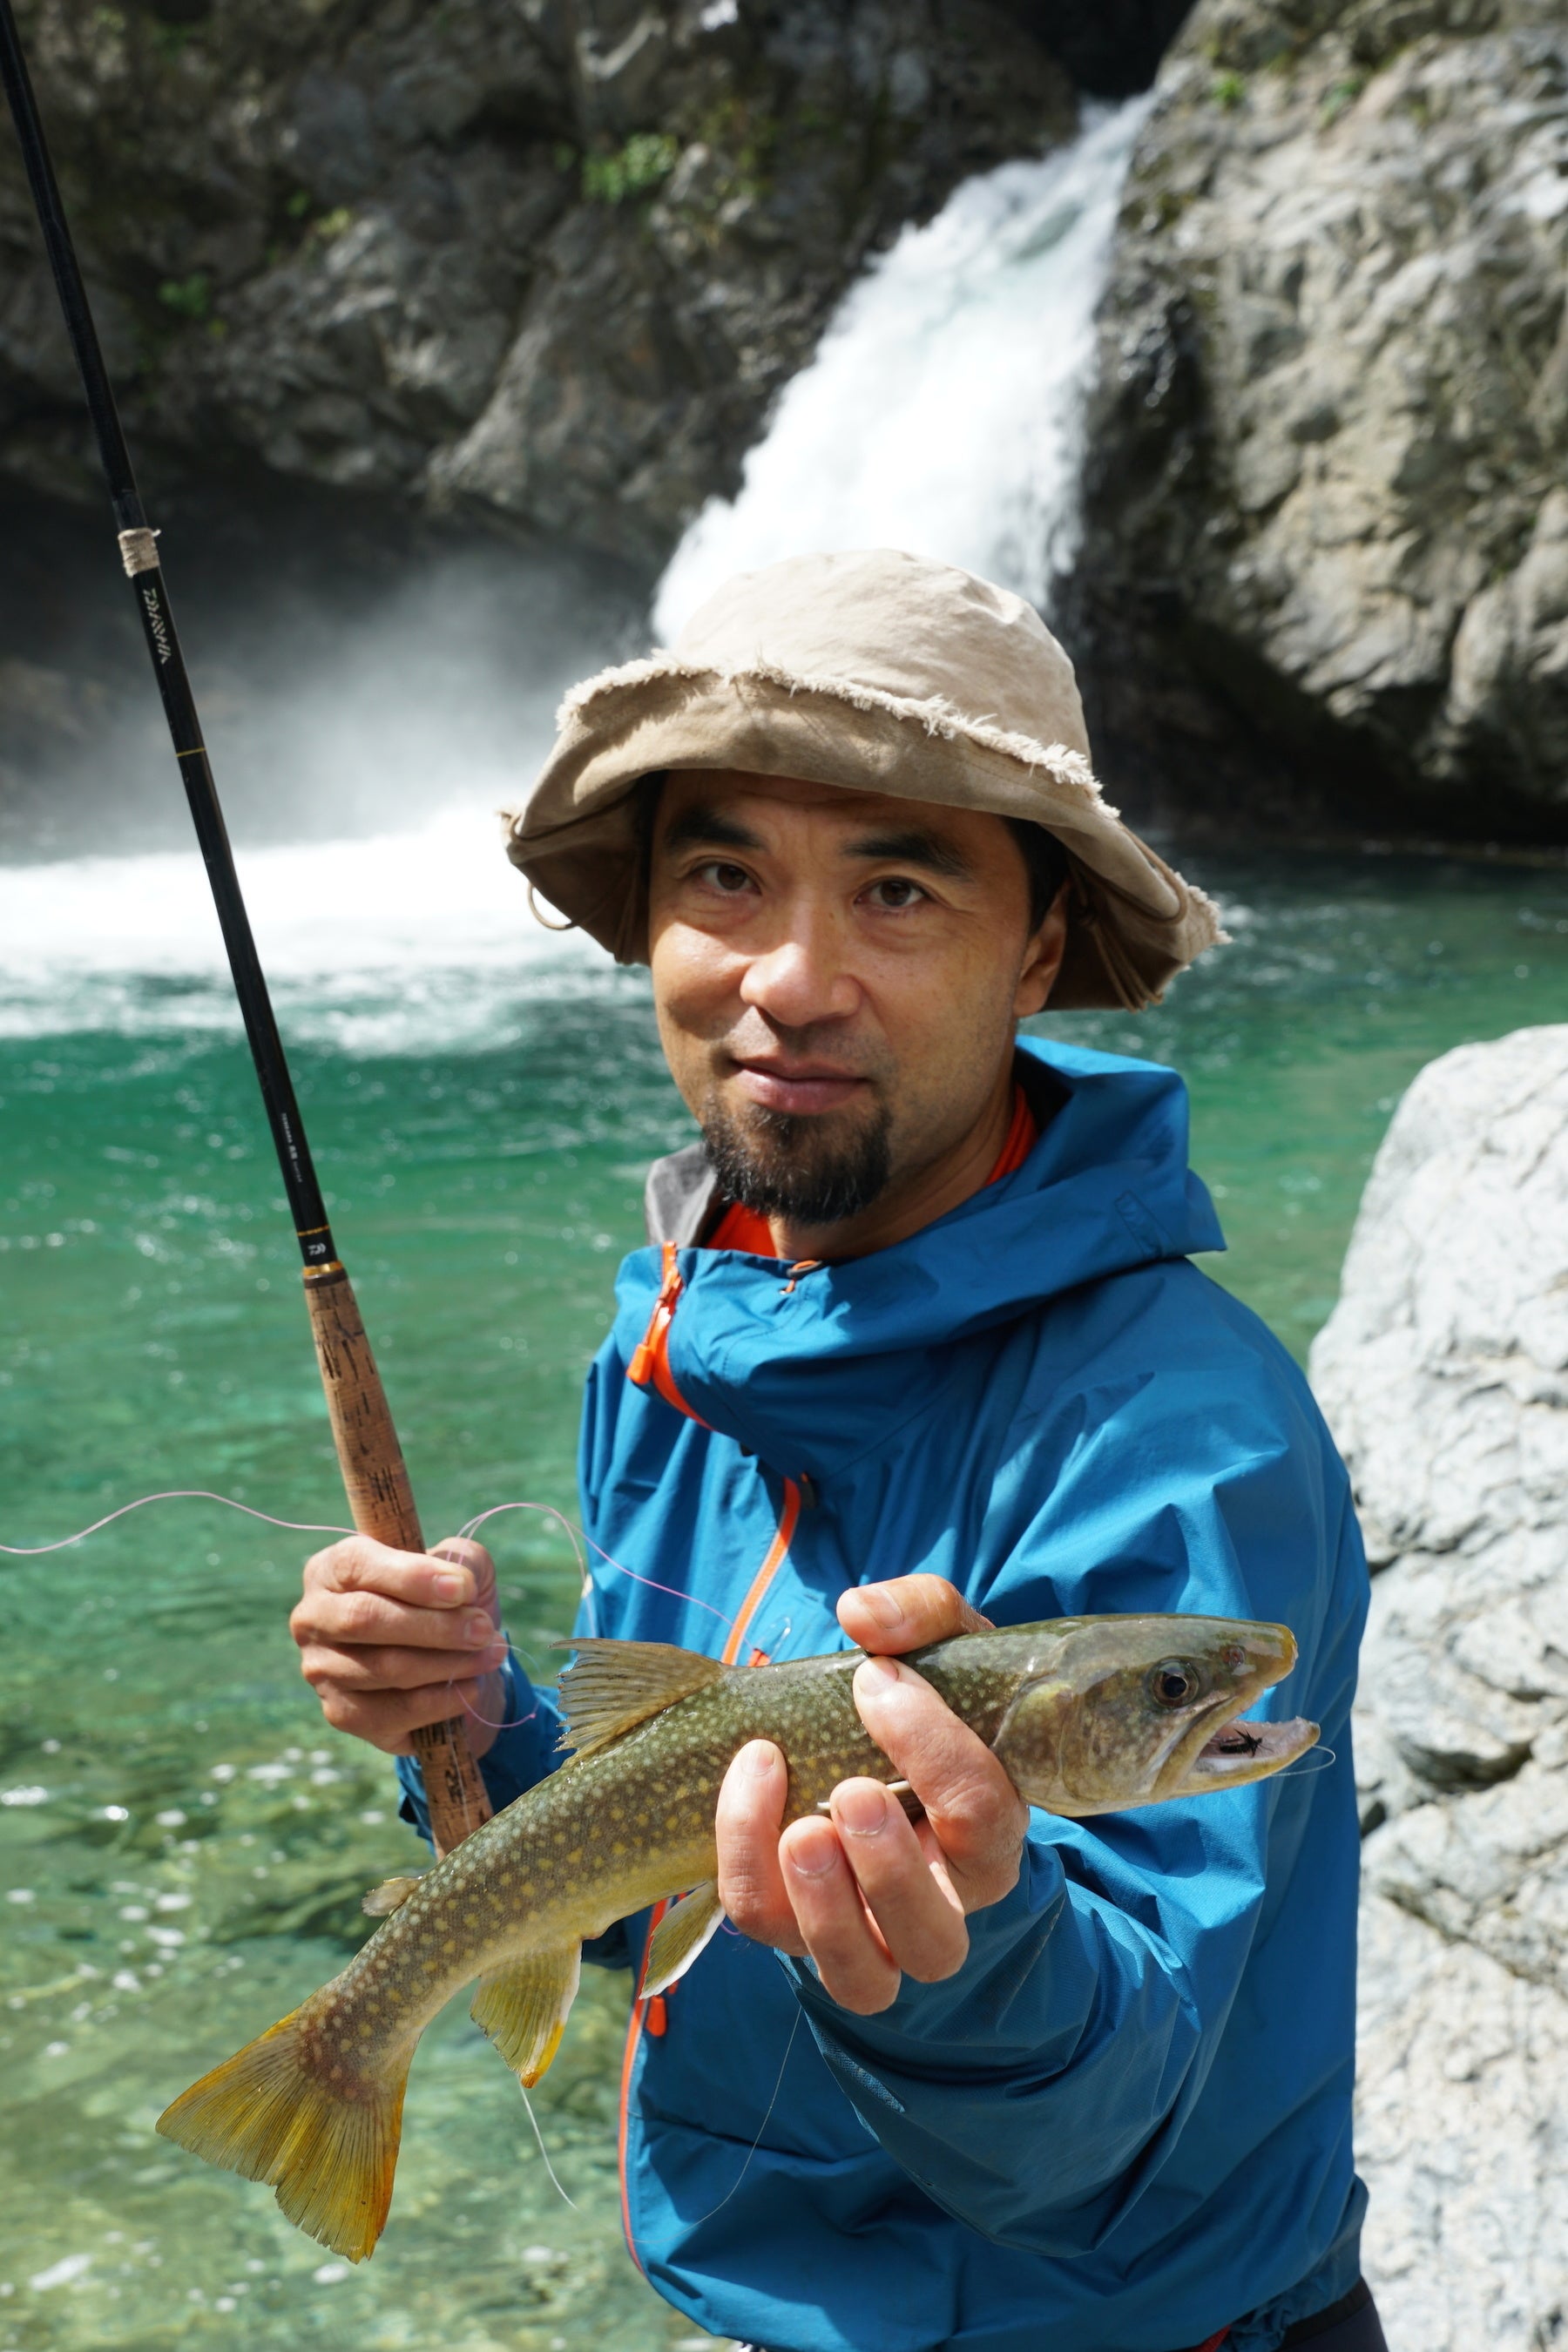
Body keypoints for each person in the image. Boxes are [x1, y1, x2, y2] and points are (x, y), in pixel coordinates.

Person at [288, 551, 1384, 2352]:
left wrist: (963, 1941)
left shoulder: (1183, 1437)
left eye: (898, 887)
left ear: (1040, 944)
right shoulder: (668, 1342)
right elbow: (667, 1874)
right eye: (727, 873)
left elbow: (1124, 2143)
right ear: (645, 915)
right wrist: (476, 1730)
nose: (791, 982)